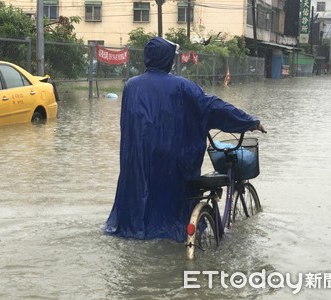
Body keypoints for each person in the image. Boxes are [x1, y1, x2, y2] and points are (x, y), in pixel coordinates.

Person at [105, 37, 265, 242]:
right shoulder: (183, 86)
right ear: (168, 59)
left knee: (141, 207)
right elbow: (213, 107)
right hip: (173, 164)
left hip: (137, 164)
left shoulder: (131, 86)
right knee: (181, 200)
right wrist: (250, 122)